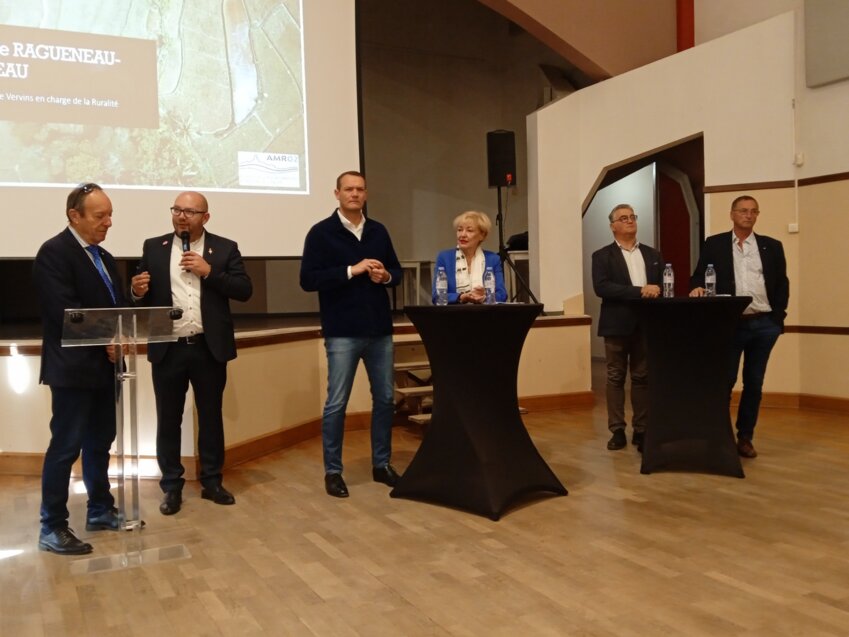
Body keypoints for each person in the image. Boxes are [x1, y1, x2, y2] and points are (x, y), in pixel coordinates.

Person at [131, 191, 252, 515]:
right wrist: (136, 290)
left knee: (211, 417)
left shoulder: (225, 248)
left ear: (205, 217)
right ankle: (171, 486)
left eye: (190, 211)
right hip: (167, 347)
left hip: (207, 347)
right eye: (177, 210)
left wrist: (209, 271)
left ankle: (212, 481)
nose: (182, 216)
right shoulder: (153, 247)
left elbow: (244, 290)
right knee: (168, 420)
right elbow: (140, 292)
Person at [32, 183, 126, 555]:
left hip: (105, 368)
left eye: (110, 214)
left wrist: (119, 334)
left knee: (100, 442)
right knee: (66, 447)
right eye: (100, 215)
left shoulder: (102, 256)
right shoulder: (54, 253)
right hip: (72, 370)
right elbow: (65, 313)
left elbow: (112, 309)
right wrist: (108, 339)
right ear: (75, 215)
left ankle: (100, 509)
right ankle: (52, 526)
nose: (109, 222)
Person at [300, 170, 403, 498]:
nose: (355, 194)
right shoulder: (321, 233)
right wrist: (351, 270)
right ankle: (333, 471)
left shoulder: (378, 231)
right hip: (342, 331)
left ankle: (381, 464)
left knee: (386, 399)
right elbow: (308, 280)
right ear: (337, 194)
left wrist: (386, 275)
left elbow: (397, 272)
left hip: (380, 330)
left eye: (360, 189)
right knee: (337, 403)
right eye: (349, 189)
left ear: (366, 194)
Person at [689, 195, 788, 458]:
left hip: (764, 324)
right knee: (724, 382)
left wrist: (777, 319)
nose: (748, 215)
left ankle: (745, 437)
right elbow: (699, 275)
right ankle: (720, 435)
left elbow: (782, 284)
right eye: (743, 211)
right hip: (730, 325)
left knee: (754, 383)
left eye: (754, 211)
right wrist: (697, 286)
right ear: (732, 214)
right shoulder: (716, 244)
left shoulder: (772, 246)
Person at [591, 204, 664, 451]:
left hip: (646, 324)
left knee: (642, 377)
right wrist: (639, 291)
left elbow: (662, 286)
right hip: (616, 324)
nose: (630, 221)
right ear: (613, 226)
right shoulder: (602, 256)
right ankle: (617, 429)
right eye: (623, 218)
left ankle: (641, 430)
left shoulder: (653, 255)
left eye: (633, 216)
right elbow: (602, 287)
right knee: (614, 377)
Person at [432, 211, 508, 304]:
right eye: (460, 230)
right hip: (453, 314)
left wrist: (486, 295)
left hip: (485, 314)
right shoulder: (444, 257)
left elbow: (502, 295)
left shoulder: (493, 259)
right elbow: (437, 296)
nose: (462, 235)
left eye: (469, 230)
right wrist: (461, 297)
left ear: (482, 235)